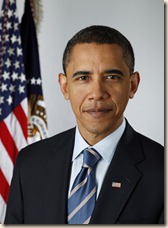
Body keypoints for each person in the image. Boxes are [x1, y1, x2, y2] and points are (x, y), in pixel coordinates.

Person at [5, 25, 164, 224]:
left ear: (132, 85)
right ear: (64, 86)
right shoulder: (29, 164)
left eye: (111, 77)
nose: (97, 93)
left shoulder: (161, 171)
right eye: (83, 78)